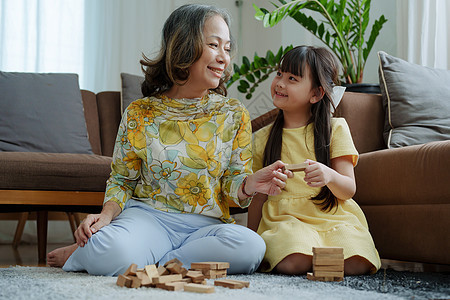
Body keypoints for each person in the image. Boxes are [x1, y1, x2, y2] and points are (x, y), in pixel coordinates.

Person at [47, 4, 292, 276]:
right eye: (214, 45)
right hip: (147, 220)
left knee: (252, 248)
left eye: (227, 47)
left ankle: (149, 261)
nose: (224, 57)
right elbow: (122, 179)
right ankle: (115, 251)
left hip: (204, 229)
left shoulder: (233, 114)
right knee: (109, 252)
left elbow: (232, 182)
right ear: (184, 48)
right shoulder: (140, 112)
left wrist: (249, 184)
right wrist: (104, 217)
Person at [248, 45, 381, 276]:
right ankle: (311, 258)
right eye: (279, 74)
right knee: (294, 261)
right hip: (285, 220)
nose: (280, 83)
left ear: (316, 94)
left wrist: (329, 175)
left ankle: (320, 258)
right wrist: (251, 242)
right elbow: (258, 197)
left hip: (331, 214)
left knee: (358, 261)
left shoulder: (336, 129)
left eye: (292, 78)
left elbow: (348, 189)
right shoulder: (262, 138)